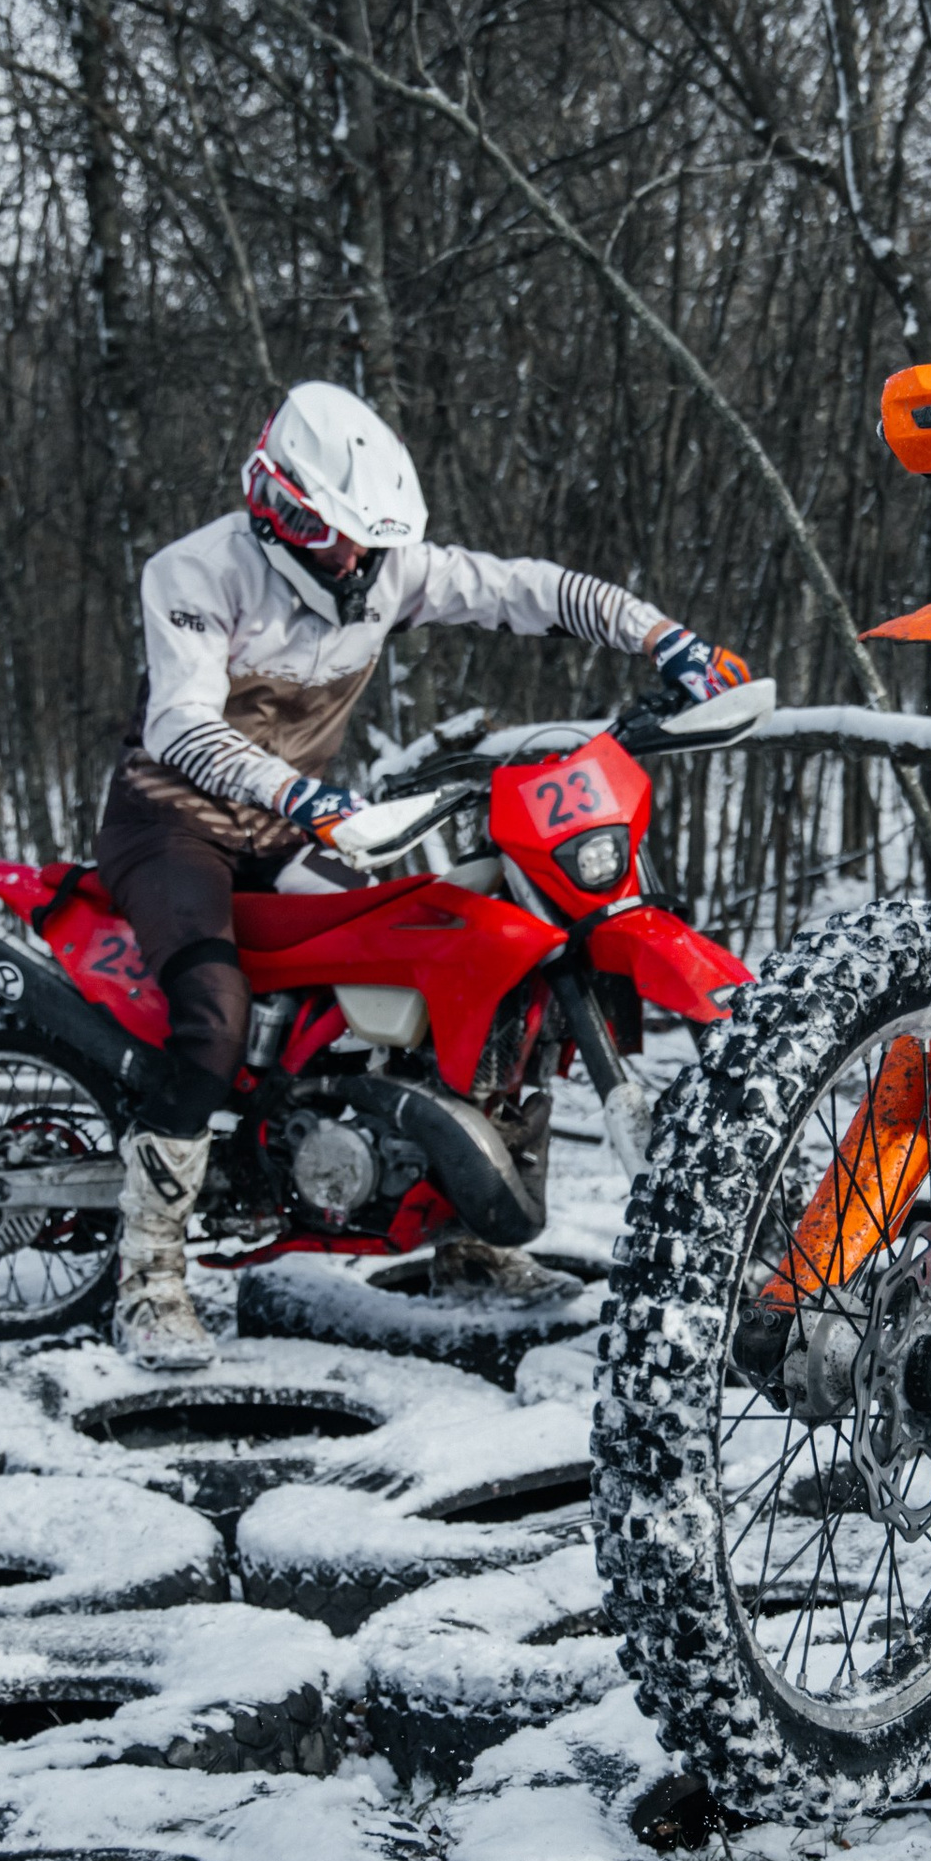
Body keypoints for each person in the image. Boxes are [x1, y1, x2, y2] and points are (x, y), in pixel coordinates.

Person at [95, 380, 743, 1374]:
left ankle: (462, 1233)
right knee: (213, 1010)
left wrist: (664, 639)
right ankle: (150, 1270)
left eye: (367, 538)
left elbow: (524, 587)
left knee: (461, 957)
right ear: (280, 506)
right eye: (339, 535)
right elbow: (180, 723)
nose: (356, 560)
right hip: (172, 824)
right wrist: (313, 802)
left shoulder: (387, 574)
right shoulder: (194, 571)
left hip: (290, 823)